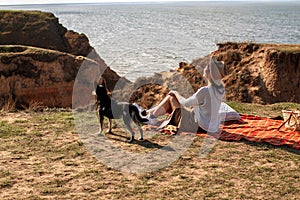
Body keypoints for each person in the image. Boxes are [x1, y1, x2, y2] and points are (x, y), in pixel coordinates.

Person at [144, 56, 226, 134]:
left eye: (207, 67)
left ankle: (151, 118)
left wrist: (176, 93)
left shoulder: (205, 91)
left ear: (210, 73)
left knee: (171, 97)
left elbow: (185, 103)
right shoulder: (221, 89)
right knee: (174, 100)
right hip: (211, 126)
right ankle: (147, 113)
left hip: (196, 125)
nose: (204, 68)